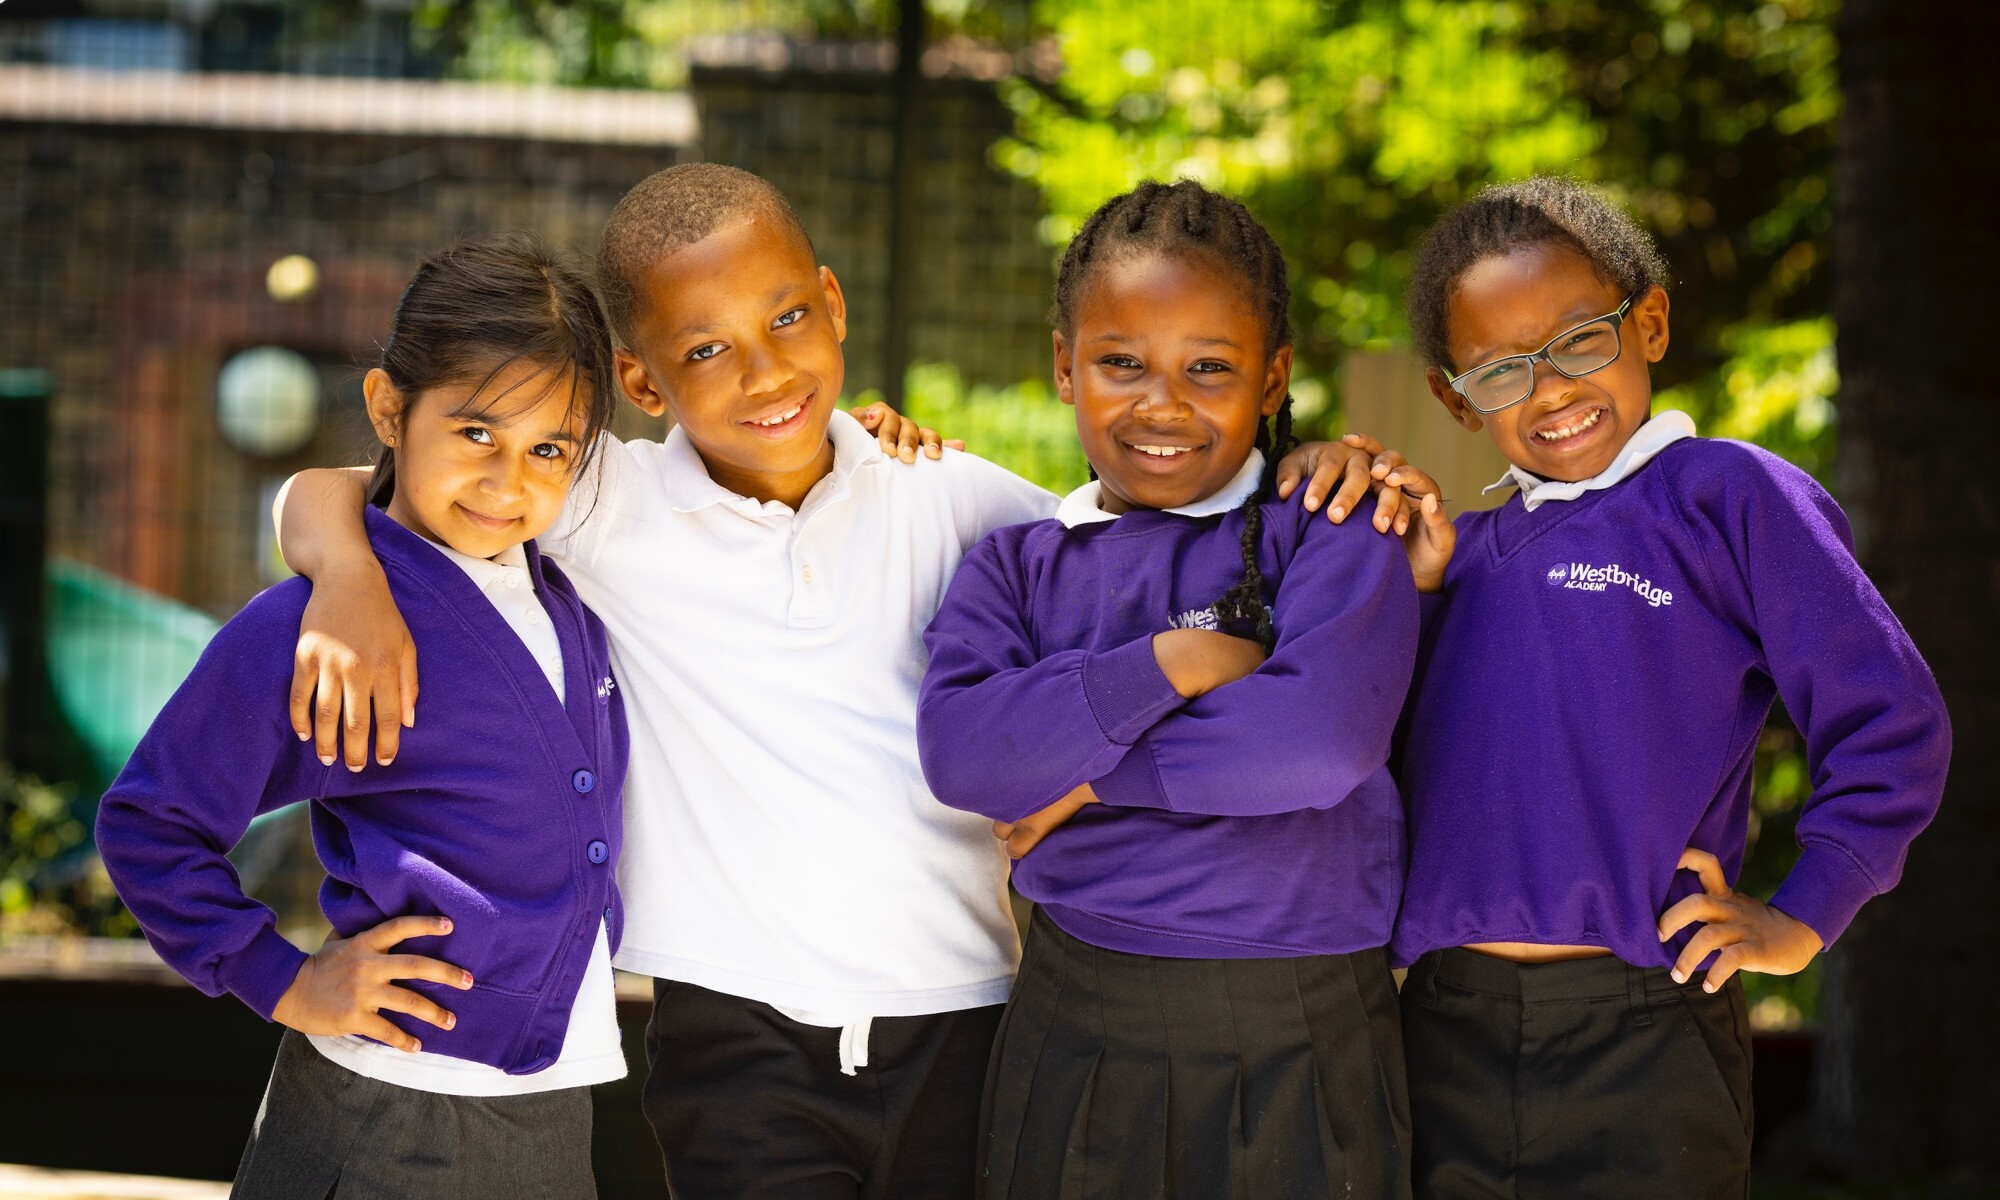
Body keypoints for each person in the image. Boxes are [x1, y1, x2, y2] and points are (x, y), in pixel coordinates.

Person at [275, 165, 1384, 1198]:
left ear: (833, 305)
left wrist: (1300, 467)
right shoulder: (599, 503)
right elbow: (335, 486)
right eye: (704, 349)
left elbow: (1143, 537)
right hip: (733, 1036)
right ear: (638, 380)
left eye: (786, 321)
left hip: (966, 1016)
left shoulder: (956, 500)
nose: (763, 373)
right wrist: (347, 574)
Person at [1385, 176, 1950, 1199]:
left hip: (1647, 1025)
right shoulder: (1451, 561)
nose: (1548, 389)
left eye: (1576, 342)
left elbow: (1890, 719)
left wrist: (1804, 915)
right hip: (1436, 1028)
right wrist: (1410, 592)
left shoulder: (1724, 497)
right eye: (1501, 370)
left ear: (1647, 322)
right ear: (1455, 398)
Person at [918, 179, 1447, 1199]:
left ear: (1271, 377)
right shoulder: (1013, 567)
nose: (1161, 404)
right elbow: (967, 756)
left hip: (1304, 1023)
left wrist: (1083, 780)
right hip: (1077, 1013)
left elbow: (1315, 746)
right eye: (1121, 363)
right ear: (1064, 366)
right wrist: (1174, 660)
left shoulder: (1331, 526)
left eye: (1209, 367)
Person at [96, 232, 630, 1199]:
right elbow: (149, 822)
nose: (508, 481)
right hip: (391, 1111)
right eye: (477, 433)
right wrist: (284, 980)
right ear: (389, 408)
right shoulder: (319, 627)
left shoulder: (572, 592)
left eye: (549, 448)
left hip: (558, 1101)